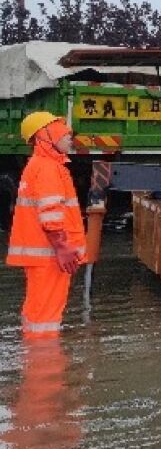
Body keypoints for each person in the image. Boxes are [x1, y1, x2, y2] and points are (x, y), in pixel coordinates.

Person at [5, 112, 87, 337]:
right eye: (62, 128)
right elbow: (50, 214)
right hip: (50, 257)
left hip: (44, 257)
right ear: (44, 135)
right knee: (46, 321)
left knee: (37, 313)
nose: (69, 134)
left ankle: (35, 362)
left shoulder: (39, 165)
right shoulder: (48, 168)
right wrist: (62, 247)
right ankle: (45, 367)